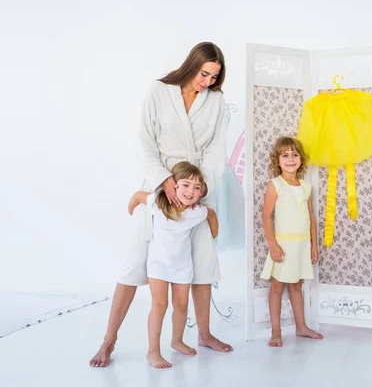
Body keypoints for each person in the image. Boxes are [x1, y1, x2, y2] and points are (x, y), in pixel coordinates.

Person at [90, 42, 231, 368]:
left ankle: (204, 334)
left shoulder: (217, 100)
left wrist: (200, 187)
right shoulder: (159, 90)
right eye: (203, 73)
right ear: (191, 64)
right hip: (160, 183)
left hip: (196, 186)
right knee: (133, 263)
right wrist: (162, 181)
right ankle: (109, 340)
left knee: (203, 262)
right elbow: (144, 139)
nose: (207, 81)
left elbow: (216, 148)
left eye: (214, 76)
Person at [127, 162, 218, 368]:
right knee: (160, 305)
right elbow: (137, 196)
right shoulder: (158, 204)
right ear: (173, 186)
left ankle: (177, 340)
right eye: (186, 185)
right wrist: (131, 210)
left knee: (182, 305)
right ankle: (153, 351)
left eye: (197, 187)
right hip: (158, 265)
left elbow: (211, 215)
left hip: (182, 267)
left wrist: (213, 235)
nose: (191, 191)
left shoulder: (197, 212)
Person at [260, 136, 323, 347]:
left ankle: (301, 326)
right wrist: (273, 245)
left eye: (294, 155)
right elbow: (266, 215)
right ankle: (276, 332)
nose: (290, 159)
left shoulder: (306, 187)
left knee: (297, 285)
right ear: (277, 161)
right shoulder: (275, 185)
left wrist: (314, 245)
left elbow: (311, 217)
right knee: (277, 286)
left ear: (301, 159)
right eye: (285, 155)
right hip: (284, 245)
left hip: (302, 245)